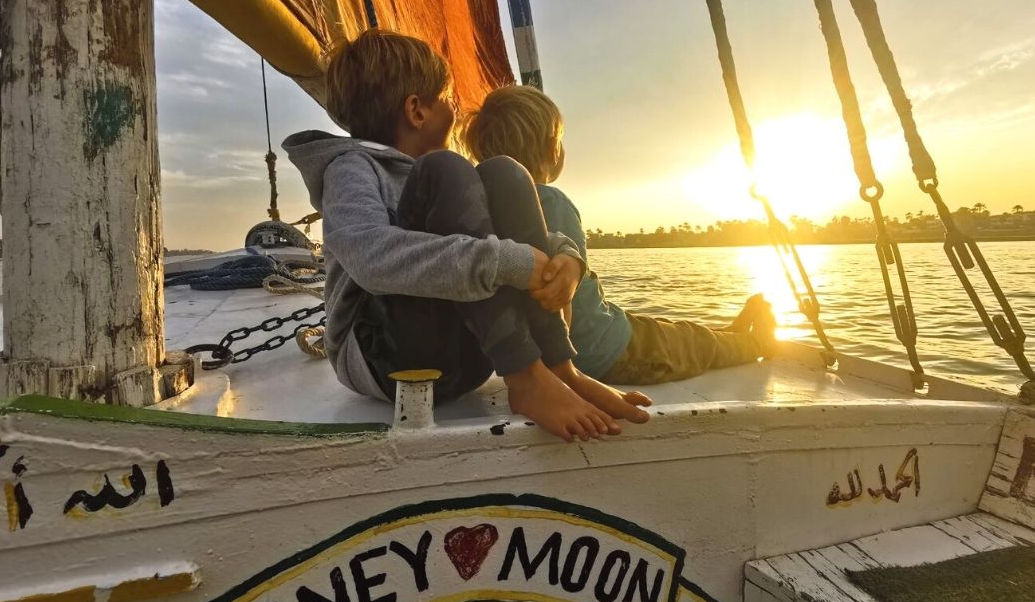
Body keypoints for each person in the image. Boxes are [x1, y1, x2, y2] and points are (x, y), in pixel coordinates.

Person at [285, 29, 650, 442]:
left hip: (468, 355)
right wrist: (506, 263)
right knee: (445, 168)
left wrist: (566, 259)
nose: (454, 111)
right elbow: (372, 259)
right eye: (447, 99)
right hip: (388, 361)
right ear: (417, 111)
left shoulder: (448, 181)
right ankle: (527, 378)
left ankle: (558, 367)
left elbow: (502, 232)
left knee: (505, 172)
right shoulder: (352, 170)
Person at [461, 85, 776, 385]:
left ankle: (731, 333)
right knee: (693, 345)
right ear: (552, 150)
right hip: (604, 353)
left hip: (569, 345)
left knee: (670, 329)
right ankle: (756, 343)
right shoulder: (552, 202)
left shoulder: (480, 213)